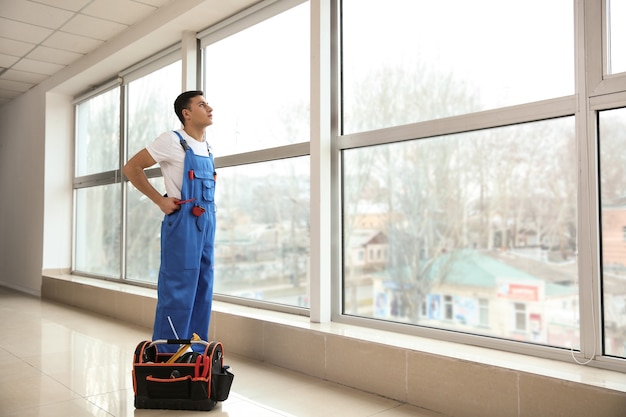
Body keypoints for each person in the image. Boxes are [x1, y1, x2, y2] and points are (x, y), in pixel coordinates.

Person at [123, 90, 216, 350]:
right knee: (178, 287)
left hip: (207, 222)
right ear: (186, 114)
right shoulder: (171, 140)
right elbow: (131, 168)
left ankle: (196, 352)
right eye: (201, 104)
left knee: (202, 286)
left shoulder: (206, 145)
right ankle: (167, 355)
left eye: (207, 103)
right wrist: (159, 200)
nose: (209, 108)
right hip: (184, 222)